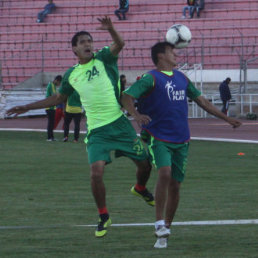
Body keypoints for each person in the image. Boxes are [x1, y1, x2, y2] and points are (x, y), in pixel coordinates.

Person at [6, 17, 154, 238]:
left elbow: (119, 44)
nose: (87, 45)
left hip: (120, 125)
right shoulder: (71, 75)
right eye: (83, 42)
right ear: (74, 48)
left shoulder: (103, 58)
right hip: (97, 132)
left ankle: (140, 188)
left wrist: (112, 28)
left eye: (90, 41)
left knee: (145, 165)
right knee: (96, 173)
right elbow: (58, 98)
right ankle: (103, 216)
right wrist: (27, 107)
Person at [121, 41, 242, 249]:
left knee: (175, 186)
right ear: (161, 56)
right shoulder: (151, 78)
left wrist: (226, 118)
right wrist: (137, 115)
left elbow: (202, 102)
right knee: (164, 173)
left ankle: (165, 230)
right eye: (172, 52)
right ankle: (159, 222)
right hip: (158, 137)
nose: (176, 54)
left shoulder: (182, 78)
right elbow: (126, 96)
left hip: (182, 139)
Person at [45, 75, 62, 141]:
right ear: (56, 80)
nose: (59, 84)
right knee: (50, 123)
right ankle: (49, 137)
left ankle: (51, 137)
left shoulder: (53, 85)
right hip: (50, 107)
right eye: (59, 82)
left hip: (52, 107)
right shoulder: (51, 85)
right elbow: (54, 95)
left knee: (52, 123)